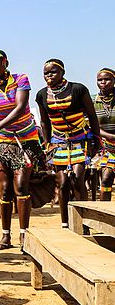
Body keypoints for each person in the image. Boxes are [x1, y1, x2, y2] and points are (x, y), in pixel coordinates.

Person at [0, 49, 42, 249]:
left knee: (21, 185)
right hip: (2, 141)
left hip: (26, 138)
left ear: (6, 62)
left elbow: (21, 107)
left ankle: (24, 234)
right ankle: (6, 236)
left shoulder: (21, 79)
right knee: (4, 189)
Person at [35, 59, 101, 227]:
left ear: (63, 73)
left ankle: (85, 221)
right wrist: (47, 143)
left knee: (78, 179)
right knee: (62, 183)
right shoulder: (42, 94)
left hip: (81, 138)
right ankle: (65, 222)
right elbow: (44, 122)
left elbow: (92, 115)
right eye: (46, 73)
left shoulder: (78, 89)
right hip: (58, 141)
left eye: (53, 72)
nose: (49, 75)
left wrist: (96, 139)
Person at [94, 68, 115, 200]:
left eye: (107, 79)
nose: (103, 82)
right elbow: (92, 125)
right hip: (107, 146)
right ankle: (103, 216)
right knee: (106, 178)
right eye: (100, 80)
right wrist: (110, 136)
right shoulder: (92, 100)